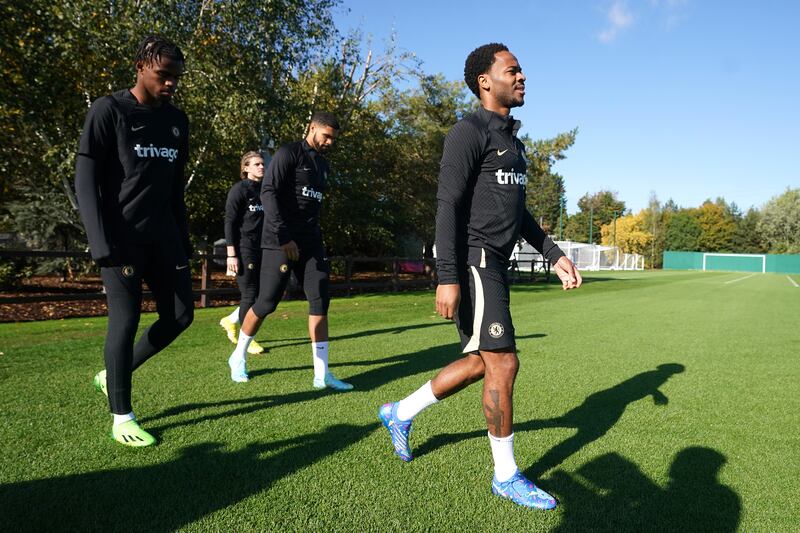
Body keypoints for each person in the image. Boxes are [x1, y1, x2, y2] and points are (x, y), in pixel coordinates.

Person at [378, 43, 582, 509]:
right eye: (513, 70)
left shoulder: (512, 141)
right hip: (476, 262)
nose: (523, 76)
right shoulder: (467, 132)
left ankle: (399, 412)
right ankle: (506, 475)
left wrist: (553, 253)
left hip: (493, 265)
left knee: (479, 363)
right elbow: (447, 205)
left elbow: (518, 211)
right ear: (485, 81)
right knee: (504, 362)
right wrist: (446, 275)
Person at [75, 35, 193, 447]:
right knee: (125, 323)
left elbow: (175, 187)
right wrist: (98, 239)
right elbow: (85, 178)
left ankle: (112, 375)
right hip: (121, 239)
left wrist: (184, 236)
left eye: (177, 77)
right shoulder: (110, 110)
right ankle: (122, 417)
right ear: (141, 67)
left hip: (164, 238)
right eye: (164, 75)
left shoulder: (177, 121)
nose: (171, 83)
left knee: (180, 317)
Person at [226, 112, 353, 391]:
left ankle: (322, 375)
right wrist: (284, 237)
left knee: (320, 299)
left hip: (310, 242)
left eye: (334, 138)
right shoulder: (288, 153)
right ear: (312, 129)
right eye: (326, 136)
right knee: (266, 303)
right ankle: (238, 357)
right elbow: (268, 193)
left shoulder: (322, 164)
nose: (329, 142)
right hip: (279, 241)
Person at [218, 151, 267, 355]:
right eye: (256, 164)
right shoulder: (239, 190)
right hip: (243, 249)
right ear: (245, 168)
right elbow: (229, 222)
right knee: (250, 295)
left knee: (264, 295)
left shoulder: (266, 190)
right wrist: (231, 254)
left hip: (263, 249)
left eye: (263, 164)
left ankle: (230, 320)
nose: (262, 167)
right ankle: (249, 340)